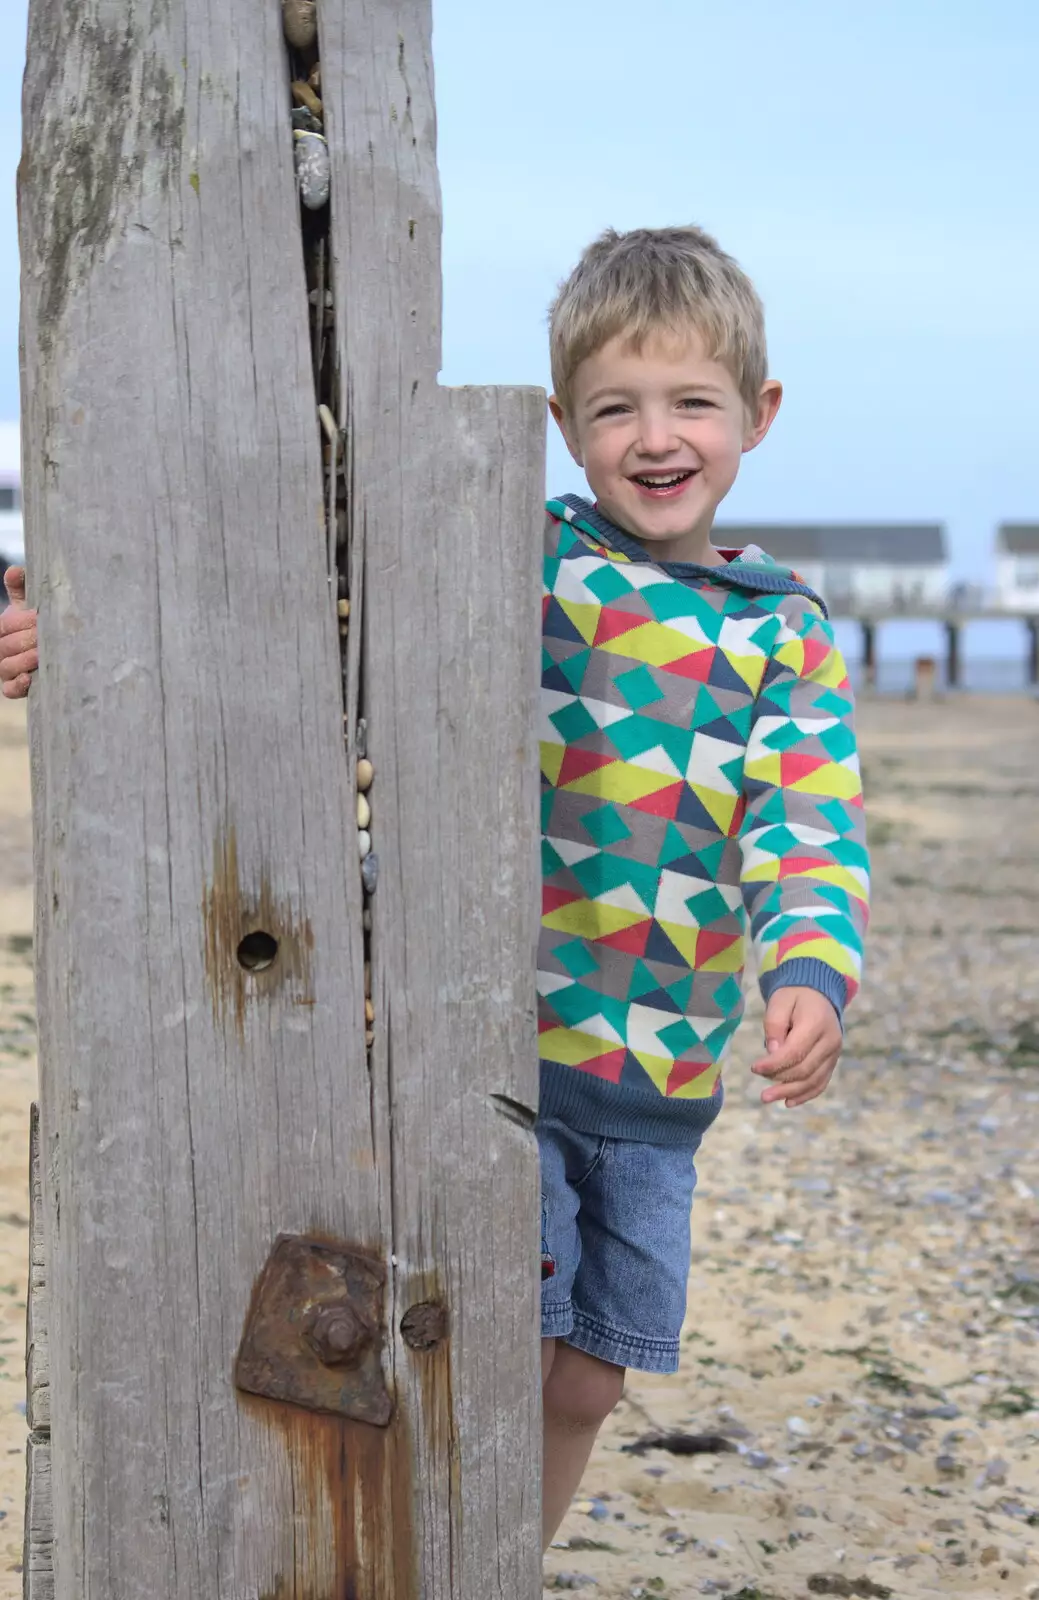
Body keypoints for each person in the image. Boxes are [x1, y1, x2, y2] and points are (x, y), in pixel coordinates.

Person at [0, 224, 870, 1552]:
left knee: (590, 1373)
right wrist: (81, 623)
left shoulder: (781, 634)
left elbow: (805, 823)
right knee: (479, 1340)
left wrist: (807, 973)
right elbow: (285, 604)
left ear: (755, 413)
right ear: (561, 426)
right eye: (612, 407)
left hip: (658, 1084)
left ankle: (496, 1569)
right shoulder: (521, 553)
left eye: (691, 401)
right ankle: (420, 1563)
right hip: (487, 1050)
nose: (655, 436)